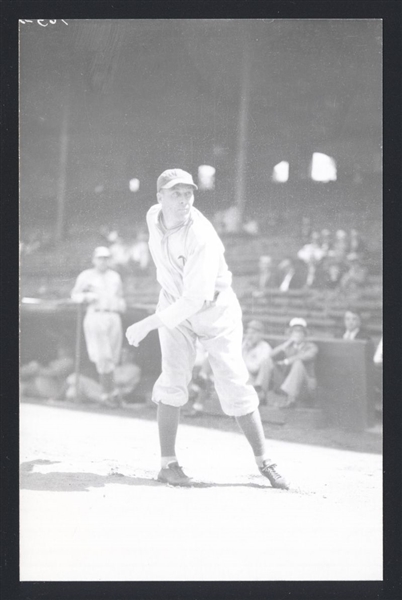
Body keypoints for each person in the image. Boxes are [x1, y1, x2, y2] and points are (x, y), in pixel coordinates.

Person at [126, 168, 289, 489]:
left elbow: (196, 299)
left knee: (234, 382)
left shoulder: (200, 234)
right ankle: (168, 464)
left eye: (189, 193)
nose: (184, 199)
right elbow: (179, 294)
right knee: (172, 379)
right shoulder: (152, 216)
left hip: (214, 309)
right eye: (176, 193)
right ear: (159, 198)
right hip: (173, 302)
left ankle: (264, 460)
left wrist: (148, 323)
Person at [71, 246, 126, 406]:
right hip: (96, 314)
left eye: (106, 258)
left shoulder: (115, 276)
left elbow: (120, 295)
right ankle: (106, 394)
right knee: (103, 356)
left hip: (113, 315)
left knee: (113, 357)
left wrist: (122, 305)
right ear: (94, 259)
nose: (103, 261)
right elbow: (75, 295)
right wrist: (87, 296)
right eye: (100, 258)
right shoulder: (86, 275)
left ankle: (112, 393)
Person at [65, 346, 141, 405]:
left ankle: (65, 398)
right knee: (75, 377)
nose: (122, 356)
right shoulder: (117, 367)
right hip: (104, 390)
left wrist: (106, 377)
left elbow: (121, 381)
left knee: (78, 384)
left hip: (114, 395)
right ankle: (71, 397)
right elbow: (108, 378)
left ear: (132, 355)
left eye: (125, 353)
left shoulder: (134, 368)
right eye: (121, 353)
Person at [270, 318, 318, 408]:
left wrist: (288, 361)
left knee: (298, 363)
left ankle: (290, 400)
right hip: (290, 385)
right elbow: (271, 355)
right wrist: (286, 344)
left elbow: (306, 356)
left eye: (300, 332)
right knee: (271, 364)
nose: (297, 334)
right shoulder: (288, 346)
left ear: (305, 334)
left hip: (306, 386)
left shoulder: (311, 347)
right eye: (294, 332)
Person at [242, 320, 274, 405]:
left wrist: (245, 359)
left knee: (267, 362)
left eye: (253, 333)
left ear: (260, 334)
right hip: (246, 380)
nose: (249, 336)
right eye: (248, 333)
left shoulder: (265, 347)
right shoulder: (245, 346)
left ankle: (260, 396)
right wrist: (244, 350)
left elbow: (255, 369)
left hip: (258, 381)